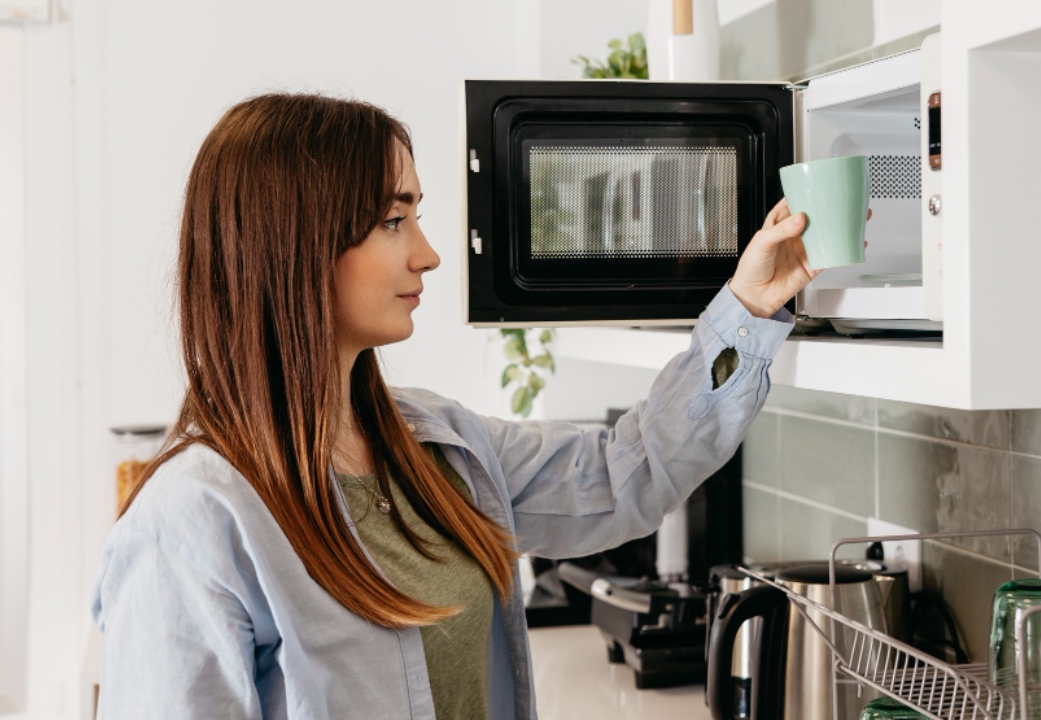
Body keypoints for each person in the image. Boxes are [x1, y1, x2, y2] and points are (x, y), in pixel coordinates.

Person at [92, 93, 821, 720]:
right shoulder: (190, 526)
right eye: (392, 220)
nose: (430, 253)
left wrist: (748, 307)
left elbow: (625, 474)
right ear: (297, 244)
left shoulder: (437, 445)